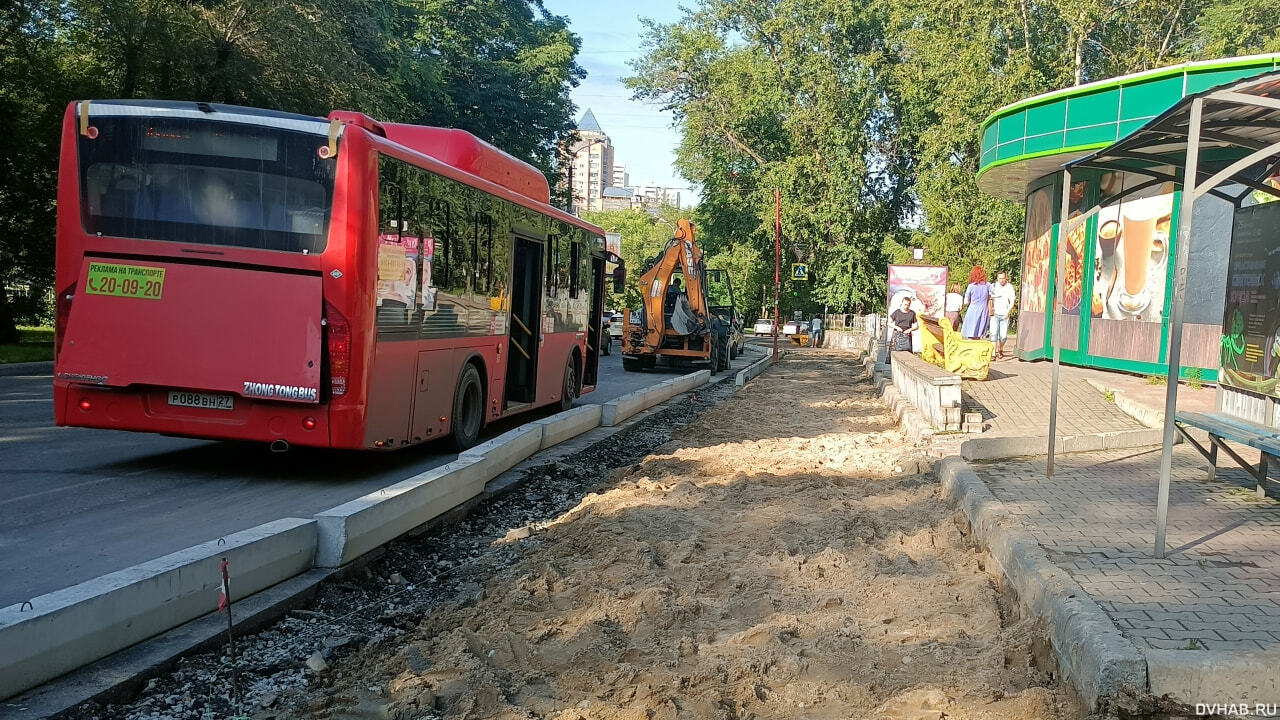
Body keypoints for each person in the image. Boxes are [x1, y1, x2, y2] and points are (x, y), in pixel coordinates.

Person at [989, 271, 1016, 359]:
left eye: (1003, 278)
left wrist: (1008, 311)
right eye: (1000, 278)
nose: (1001, 280)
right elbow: (990, 297)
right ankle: (993, 353)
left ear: (1006, 278)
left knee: (1003, 336)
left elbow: (1012, 300)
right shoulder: (994, 286)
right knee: (993, 334)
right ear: (997, 278)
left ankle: (1000, 349)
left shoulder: (1009, 287)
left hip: (1004, 314)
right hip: (995, 313)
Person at [961, 266, 991, 340]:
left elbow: (965, 302)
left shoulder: (971, 286)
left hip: (972, 310)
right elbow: (995, 294)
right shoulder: (987, 285)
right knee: (978, 334)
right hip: (983, 311)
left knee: (970, 333)